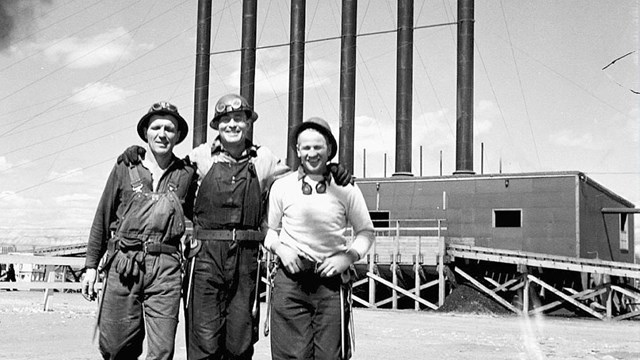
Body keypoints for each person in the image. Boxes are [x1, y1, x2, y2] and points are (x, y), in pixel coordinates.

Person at [119, 93, 353, 359]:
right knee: (203, 339)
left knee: (239, 342)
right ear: (217, 125)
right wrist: (139, 155)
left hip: (246, 257)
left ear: (248, 123)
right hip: (205, 257)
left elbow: (299, 181)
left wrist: (330, 170)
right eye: (226, 119)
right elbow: (167, 171)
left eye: (238, 119)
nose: (232, 125)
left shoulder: (264, 159)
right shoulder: (199, 157)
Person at [81, 101, 196, 360]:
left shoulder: (187, 174)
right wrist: (90, 266)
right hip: (124, 263)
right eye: (156, 127)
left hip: (166, 267)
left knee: (162, 350)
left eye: (169, 128)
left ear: (178, 136)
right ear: (146, 132)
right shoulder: (125, 167)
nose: (162, 134)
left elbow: (198, 215)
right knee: (115, 346)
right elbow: (103, 214)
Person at [264, 117, 375, 360]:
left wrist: (349, 256)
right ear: (297, 150)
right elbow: (269, 230)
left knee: (330, 356)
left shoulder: (347, 189)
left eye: (318, 147)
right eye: (306, 147)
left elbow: (366, 231)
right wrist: (280, 249)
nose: (311, 153)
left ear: (329, 150)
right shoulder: (282, 187)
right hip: (290, 282)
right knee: (290, 355)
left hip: (331, 284)